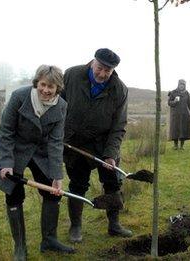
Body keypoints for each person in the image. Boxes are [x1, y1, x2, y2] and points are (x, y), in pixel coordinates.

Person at [0, 65, 74, 259]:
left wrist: (57, 175)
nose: (46, 90)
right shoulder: (19, 96)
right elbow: (6, 131)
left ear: (58, 88)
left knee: (52, 190)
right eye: (43, 84)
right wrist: (6, 162)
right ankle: (20, 247)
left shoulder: (61, 106)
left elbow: (56, 142)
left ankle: (49, 240)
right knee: (14, 192)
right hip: (13, 148)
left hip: (40, 151)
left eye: (51, 86)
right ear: (37, 82)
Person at [62, 48, 132, 242]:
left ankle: (114, 225)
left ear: (113, 71)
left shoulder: (119, 89)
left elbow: (119, 126)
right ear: (93, 62)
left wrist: (110, 154)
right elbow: (57, 106)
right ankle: (75, 227)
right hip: (74, 142)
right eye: (100, 68)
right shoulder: (72, 75)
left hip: (104, 144)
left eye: (107, 71)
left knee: (112, 183)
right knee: (77, 185)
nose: (102, 74)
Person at [168, 79, 190, 149]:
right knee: (175, 130)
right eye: (181, 84)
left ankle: (182, 146)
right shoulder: (173, 92)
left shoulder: (186, 93)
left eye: (183, 85)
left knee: (183, 130)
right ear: (178, 85)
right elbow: (169, 103)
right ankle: (175, 145)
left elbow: (189, 104)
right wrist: (174, 101)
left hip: (184, 114)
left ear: (185, 85)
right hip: (175, 115)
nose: (182, 86)